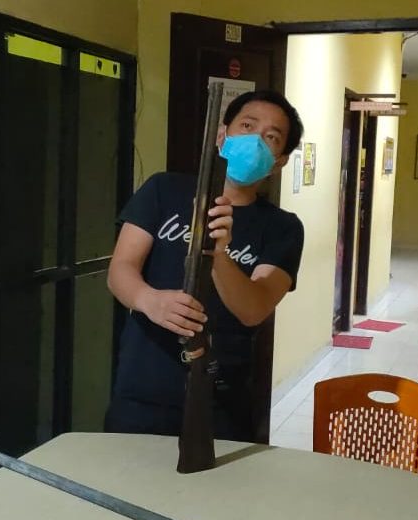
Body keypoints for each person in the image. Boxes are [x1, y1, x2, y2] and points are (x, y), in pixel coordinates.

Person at [105, 89, 305, 442]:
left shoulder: (282, 228)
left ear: (279, 161)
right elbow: (120, 269)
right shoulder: (163, 189)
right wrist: (150, 300)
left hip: (220, 399)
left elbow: (254, 309)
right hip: (141, 388)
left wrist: (219, 253)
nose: (256, 141)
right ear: (222, 135)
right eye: (247, 126)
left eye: (271, 137)